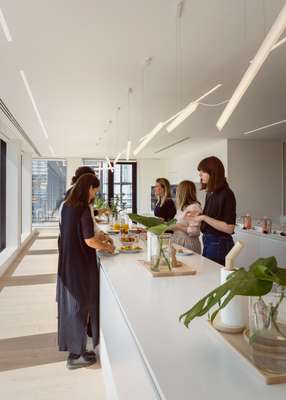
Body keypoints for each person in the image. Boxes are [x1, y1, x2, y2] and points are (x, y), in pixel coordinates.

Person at [57, 173, 115, 369]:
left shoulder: (68, 205)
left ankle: (76, 350)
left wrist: (101, 236)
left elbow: (84, 233)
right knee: (80, 307)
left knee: (73, 306)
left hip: (68, 262)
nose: (94, 196)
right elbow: (89, 241)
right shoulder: (82, 208)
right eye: (94, 191)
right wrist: (108, 247)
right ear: (88, 187)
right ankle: (76, 355)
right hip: (80, 264)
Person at [188, 156, 236, 266]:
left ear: (213, 172)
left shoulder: (227, 194)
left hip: (219, 243)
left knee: (214, 279)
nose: (200, 175)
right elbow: (213, 217)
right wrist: (198, 215)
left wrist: (204, 217)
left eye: (203, 172)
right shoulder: (210, 192)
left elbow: (229, 228)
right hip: (208, 240)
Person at [172, 180, 202, 254]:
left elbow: (194, 231)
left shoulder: (194, 207)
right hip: (180, 243)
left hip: (188, 245)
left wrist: (177, 226)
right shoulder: (182, 208)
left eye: (177, 191)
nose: (176, 193)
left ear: (182, 192)